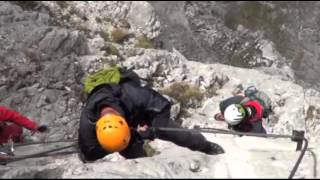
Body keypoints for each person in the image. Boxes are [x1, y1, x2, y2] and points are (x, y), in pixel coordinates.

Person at [78, 72, 225, 162]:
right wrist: (135, 137)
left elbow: (162, 106)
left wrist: (152, 130)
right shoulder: (88, 120)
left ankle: (205, 146)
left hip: (144, 116)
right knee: (135, 156)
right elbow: (89, 153)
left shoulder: (133, 94)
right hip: (127, 131)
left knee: (182, 135)